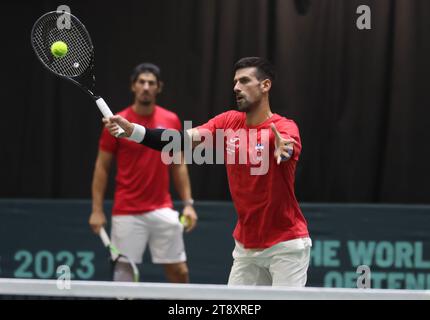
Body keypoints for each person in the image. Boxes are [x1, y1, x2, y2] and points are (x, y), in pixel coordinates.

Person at [104, 57, 311, 287]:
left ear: (265, 86)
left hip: (286, 245)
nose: (236, 88)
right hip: (246, 246)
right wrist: (133, 131)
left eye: (244, 81)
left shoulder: (283, 127)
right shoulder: (228, 122)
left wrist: (285, 150)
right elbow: (179, 140)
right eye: (235, 82)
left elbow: (288, 147)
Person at [89, 63, 198, 283]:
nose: (146, 87)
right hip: (126, 211)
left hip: (162, 209)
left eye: (151, 83)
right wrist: (97, 210)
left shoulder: (171, 120)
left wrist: (188, 203)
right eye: (141, 82)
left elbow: (178, 164)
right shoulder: (115, 123)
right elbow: (102, 167)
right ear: (133, 86)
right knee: (124, 279)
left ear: (159, 88)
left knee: (180, 273)